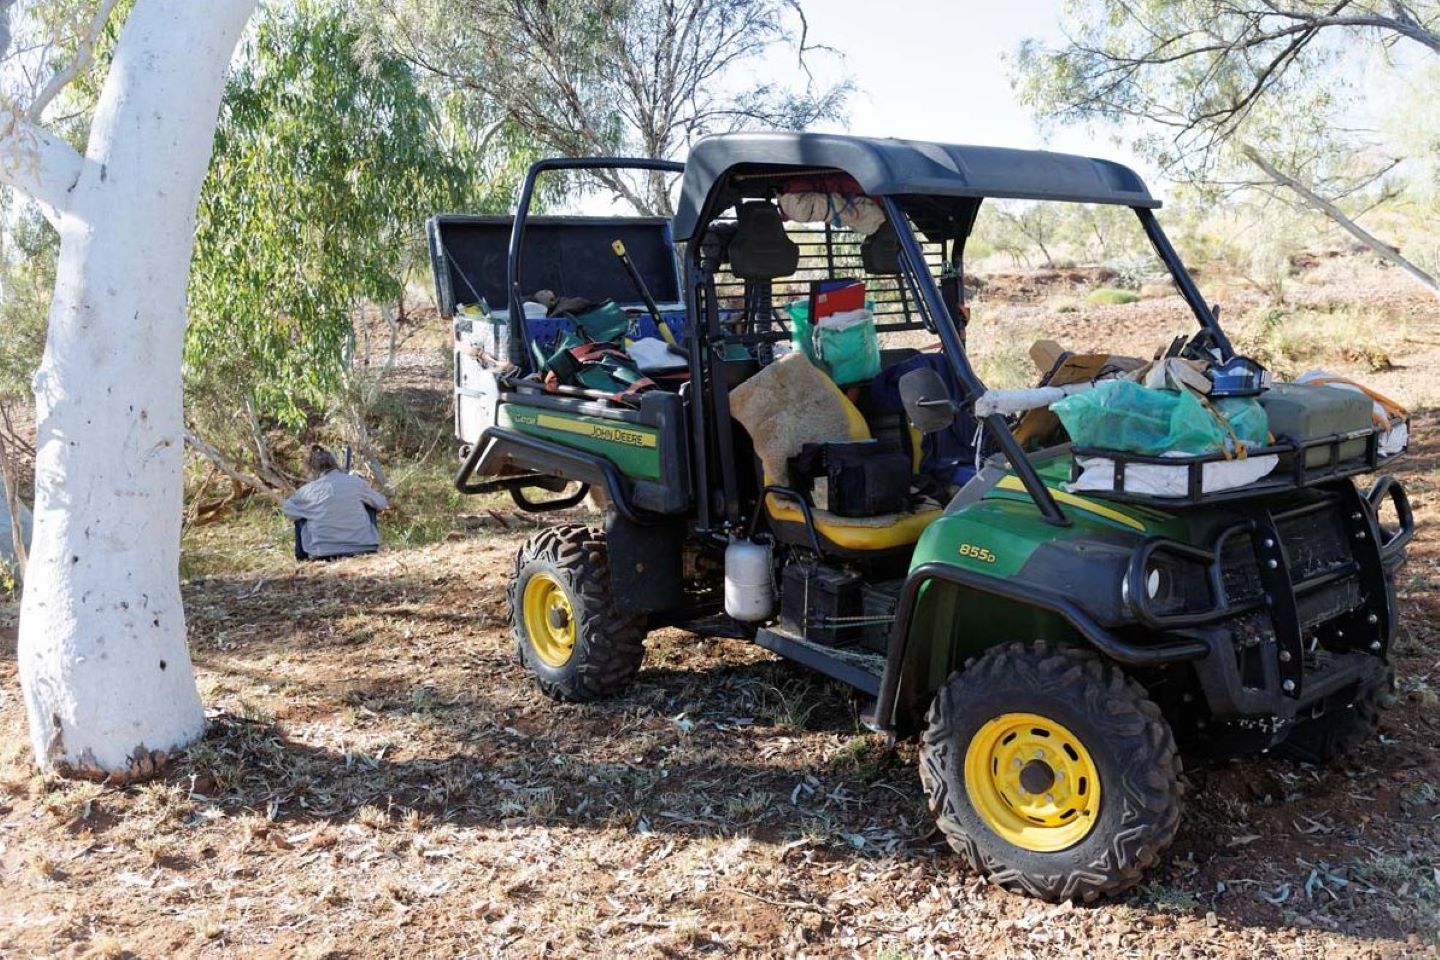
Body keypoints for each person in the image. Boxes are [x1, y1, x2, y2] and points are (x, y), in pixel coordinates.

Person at [282, 445, 388, 561]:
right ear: (335, 464)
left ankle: (302, 559)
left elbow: (288, 510)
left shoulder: (306, 491)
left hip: (323, 551)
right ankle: (367, 541)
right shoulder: (356, 482)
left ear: (312, 469)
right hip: (363, 547)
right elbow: (381, 503)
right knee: (369, 504)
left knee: (299, 513)